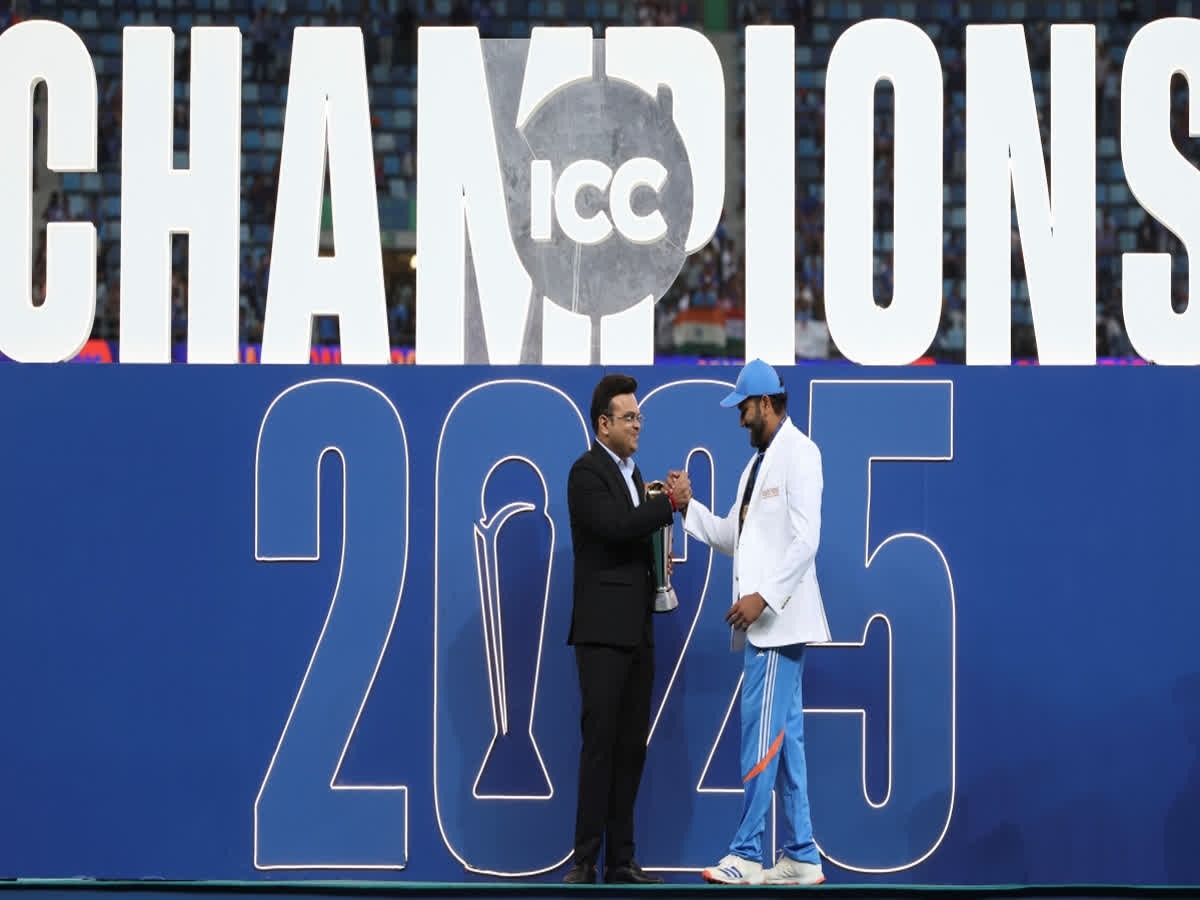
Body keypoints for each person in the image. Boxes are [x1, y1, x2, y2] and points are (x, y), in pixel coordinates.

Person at [670, 359, 829, 887]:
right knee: (787, 742)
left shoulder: (801, 454)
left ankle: (746, 853)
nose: (740, 419)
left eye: (743, 408)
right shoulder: (755, 467)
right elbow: (730, 537)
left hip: (778, 626)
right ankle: (802, 854)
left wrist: (764, 598)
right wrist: (687, 508)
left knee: (760, 738)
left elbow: (808, 540)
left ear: (765, 403)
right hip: (770, 625)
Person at [563, 373, 691, 885]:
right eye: (629, 417)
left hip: (638, 630)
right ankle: (583, 860)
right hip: (601, 633)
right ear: (604, 424)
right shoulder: (586, 472)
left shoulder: (635, 478)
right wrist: (668, 505)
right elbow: (614, 528)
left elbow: (634, 538)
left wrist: (658, 558)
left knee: (632, 747)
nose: (638, 424)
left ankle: (621, 860)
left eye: (640, 417)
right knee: (600, 745)